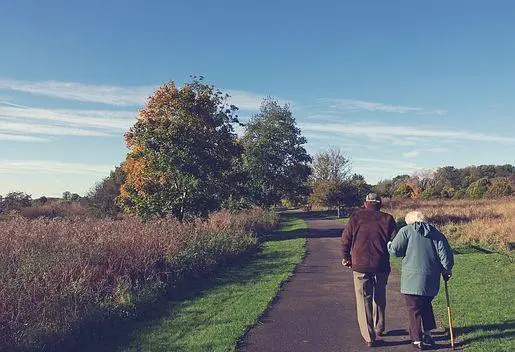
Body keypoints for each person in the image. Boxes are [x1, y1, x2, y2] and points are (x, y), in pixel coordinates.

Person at [388, 211, 454, 350]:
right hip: (431, 279)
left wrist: (389, 244)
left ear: (409, 221)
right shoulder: (436, 233)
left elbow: (394, 251)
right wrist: (446, 270)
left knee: (414, 309)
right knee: (425, 305)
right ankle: (428, 334)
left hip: (411, 279)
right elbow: (446, 258)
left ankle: (417, 339)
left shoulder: (406, 231)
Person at [341, 193, 397, 347]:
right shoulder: (388, 219)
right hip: (381, 265)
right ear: (380, 204)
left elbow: (345, 239)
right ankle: (379, 327)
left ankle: (369, 337)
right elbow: (395, 242)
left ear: (365, 203)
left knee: (363, 299)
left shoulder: (355, 217)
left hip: (360, 265)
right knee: (379, 296)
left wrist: (346, 257)